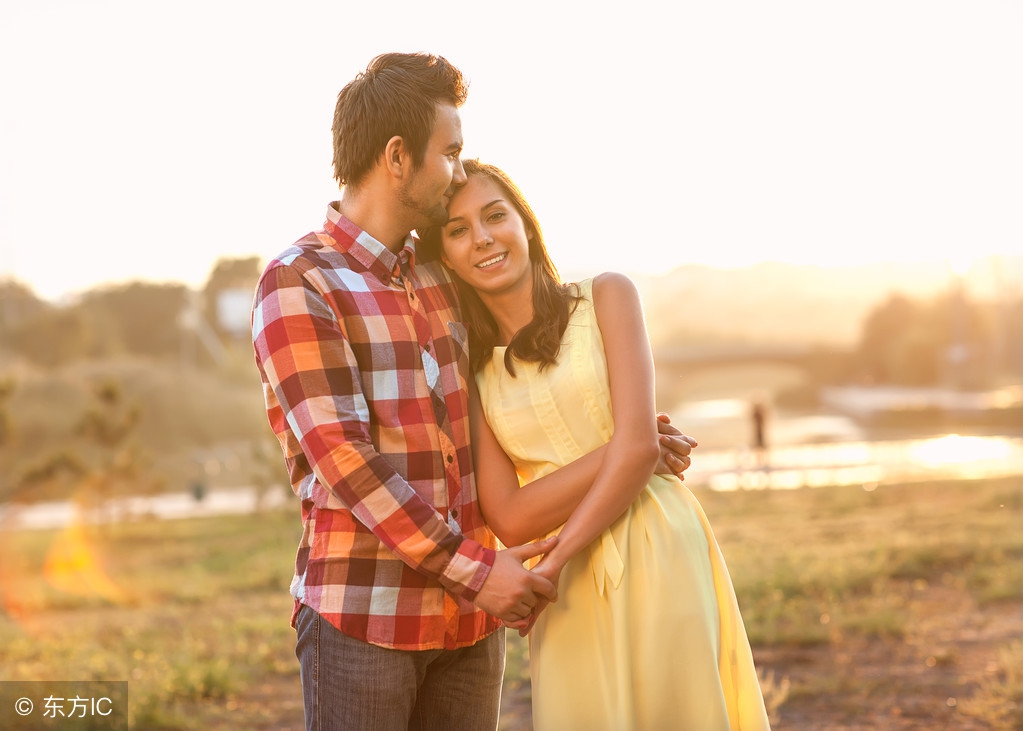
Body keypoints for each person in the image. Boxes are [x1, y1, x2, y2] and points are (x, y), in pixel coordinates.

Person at [250, 52, 696, 730]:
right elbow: (342, 458)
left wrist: (626, 439)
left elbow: (523, 383)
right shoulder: (299, 282)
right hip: (365, 617)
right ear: (398, 158)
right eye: (449, 153)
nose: (457, 171)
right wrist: (477, 569)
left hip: (467, 626)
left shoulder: (439, 278)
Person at [420, 160, 772, 730]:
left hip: (655, 546)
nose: (482, 237)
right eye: (458, 230)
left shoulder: (608, 298)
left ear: (525, 225)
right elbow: (509, 517)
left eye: (494, 216)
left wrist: (555, 557)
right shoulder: (473, 374)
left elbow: (637, 451)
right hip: (563, 594)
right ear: (448, 258)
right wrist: (631, 448)